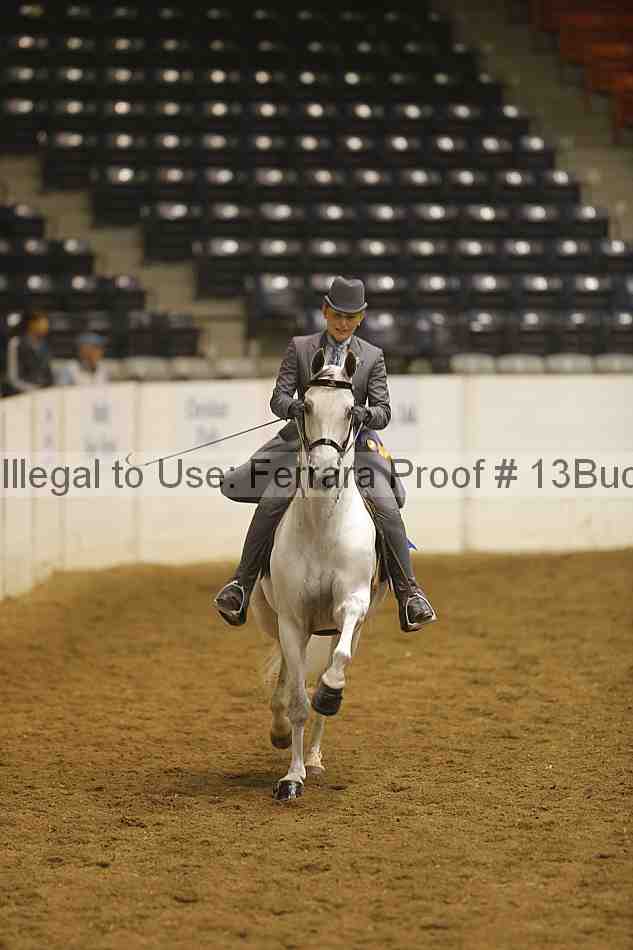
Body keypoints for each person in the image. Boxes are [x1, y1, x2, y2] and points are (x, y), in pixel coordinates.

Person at [214, 275, 437, 634]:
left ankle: (409, 593)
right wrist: (294, 407)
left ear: (360, 318)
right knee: (272, 501)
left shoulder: (372, 357)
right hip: (306, 441)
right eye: (337, 315)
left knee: (385, 504)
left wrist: (365, 414)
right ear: (325, 311)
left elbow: (383, 410)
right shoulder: (300, 348)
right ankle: (240, 584)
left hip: (354, 443)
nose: (343, 323)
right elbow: (278, 397)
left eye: (350, 317)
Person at [4, 310, 54, 394]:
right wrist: (33, 389)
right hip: (20, 394)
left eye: (46, 323)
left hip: (42, 393)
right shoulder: (16, 343)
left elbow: (48, 373)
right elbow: (13, 378)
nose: (46, 326)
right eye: (42, 323)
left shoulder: (45, 345)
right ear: (32, 324)